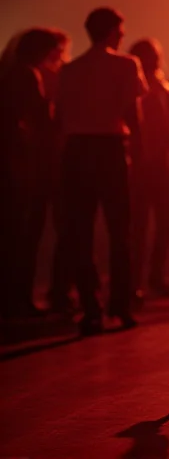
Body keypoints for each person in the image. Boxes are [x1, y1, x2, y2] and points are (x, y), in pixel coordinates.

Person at [57, 8, 146, 335]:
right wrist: (138, 153)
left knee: (81, 232)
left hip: (77, 152)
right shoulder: (126, 65)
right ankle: (121, 306)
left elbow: (60, 118)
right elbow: (133, 116)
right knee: (119, 231)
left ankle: (91, 308)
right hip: (110, 150)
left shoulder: (69, 70)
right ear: (112, 32)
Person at [0, 28, 69, 318]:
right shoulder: (29, 76)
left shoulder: (9, 73)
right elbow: (40, 121)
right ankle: (19, 299)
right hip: (26, 167)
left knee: (12, 235)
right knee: (25, 235)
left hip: (12, 164)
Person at [129, 38, 169, 301]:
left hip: (148, 164)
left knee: (147, 225)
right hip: (151, 163)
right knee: (151, 224)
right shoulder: (153, 88)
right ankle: (147, 278)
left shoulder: (156, 87)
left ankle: (143, 278)